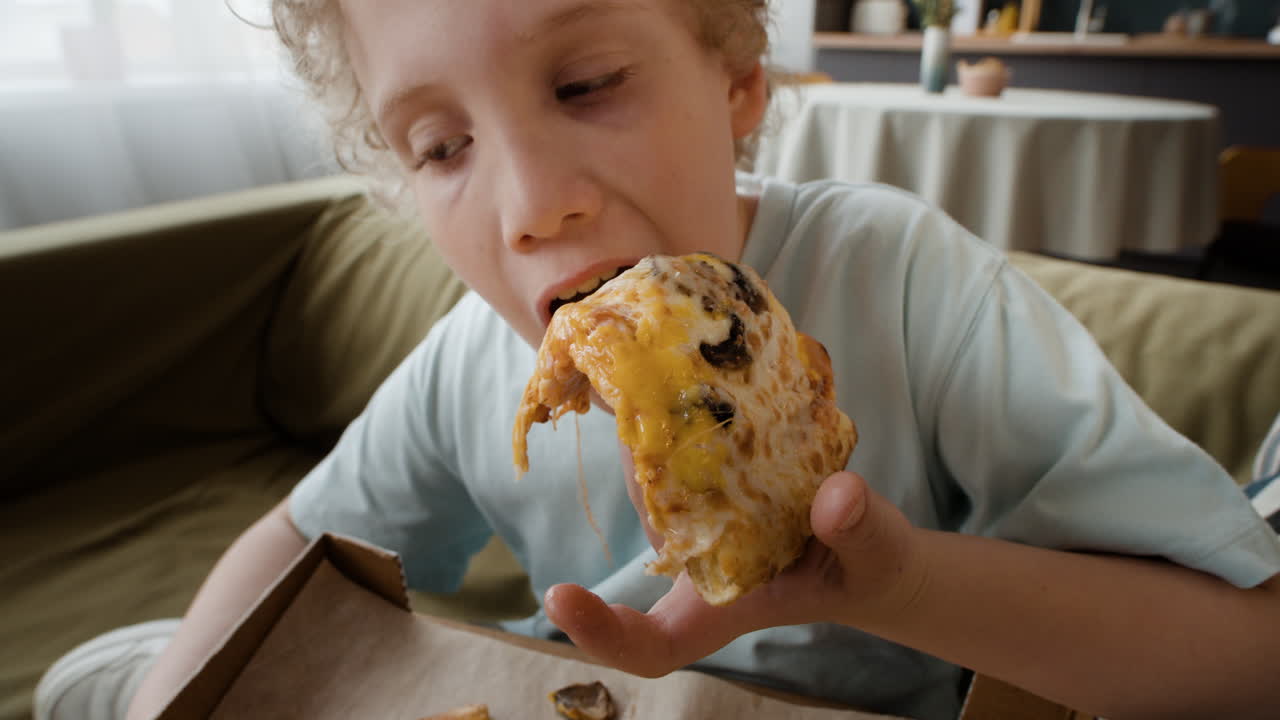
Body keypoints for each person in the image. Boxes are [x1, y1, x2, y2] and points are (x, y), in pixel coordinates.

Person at [35, 1, 1280, 719]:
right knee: (122, 674)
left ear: (737, 81)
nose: (530, 208)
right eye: (438, 144)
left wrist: (889, 585)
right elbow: (296, 546)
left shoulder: (899, 281)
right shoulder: (472, 358)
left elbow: (1245, 653)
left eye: (583, 85)